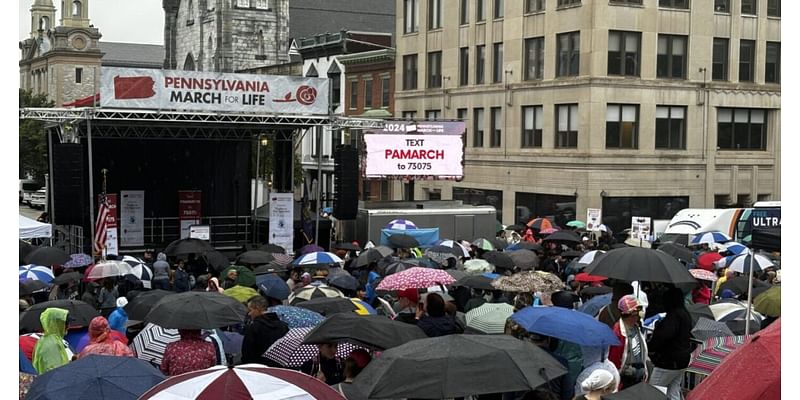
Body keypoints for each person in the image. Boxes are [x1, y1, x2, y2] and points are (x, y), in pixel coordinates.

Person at [647, 287, 692, 400]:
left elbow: (664, 335)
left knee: (654, 391)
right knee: (673, 391)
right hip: (682, 360)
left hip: (669, 361)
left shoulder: (674, 316)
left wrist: (651, 347)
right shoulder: (685, 314)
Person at [608, 295, 649, 389]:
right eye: (635, 313)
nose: (638, 316)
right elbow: (614, 360)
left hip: (638, 378)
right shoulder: (618, 332)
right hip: (625, 380)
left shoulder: (636, 328)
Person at [241, 295, 289, 366]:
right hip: (280, 368)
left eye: (250, 310)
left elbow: (247, 354)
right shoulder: (283, 326)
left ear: (258, 309)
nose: (249, 314)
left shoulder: (253, 328)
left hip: (259, 370)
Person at [32, 307, 70, 374]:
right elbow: (55, 371)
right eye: (66, 323)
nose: (68, 326)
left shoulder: (46, 340)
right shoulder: (52, 344)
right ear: (57, 323)